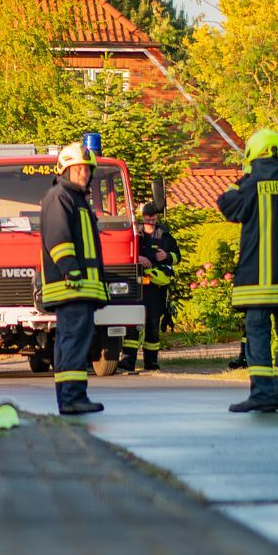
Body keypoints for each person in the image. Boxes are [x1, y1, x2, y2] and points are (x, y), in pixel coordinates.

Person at [219, 129, 278, 413]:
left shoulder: (253, 185)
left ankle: (261, 393)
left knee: (257, 333)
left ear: (253, 155)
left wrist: (242, 179)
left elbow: (226, 205)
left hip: (258, 281)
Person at [40, 142, 107, 416]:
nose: (84, 173)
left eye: (87, 169)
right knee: (73, 343)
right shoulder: (60, 196)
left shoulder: (75, 198)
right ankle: (72, 398)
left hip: (80, 287)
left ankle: (72, 397)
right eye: (78, 168)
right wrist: (71, 269)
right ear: (65, 170)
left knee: (73, 342)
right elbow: (58, 237)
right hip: (71, 285)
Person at [122, 202, 178, 373]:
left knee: (153, 323)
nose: (151, 221)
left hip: (156, 287)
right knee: (132, 322)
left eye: (153, 218)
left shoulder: (165, 234)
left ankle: (151, 362)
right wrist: (137, 257)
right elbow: (125, 250)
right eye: (148, 218)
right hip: (136, 283)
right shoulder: (135, 233)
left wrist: (167, 256)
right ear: (143, 217)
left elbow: (177, 256)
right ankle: (128, 360)